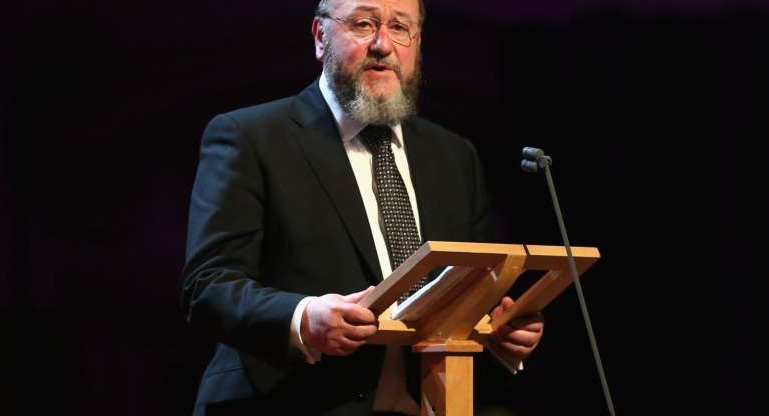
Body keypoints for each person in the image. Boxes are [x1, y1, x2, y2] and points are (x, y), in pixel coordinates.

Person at [182, 0, 544, 415]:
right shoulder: (250, 137)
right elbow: (207, 285)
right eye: (363, 24)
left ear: (417, 43)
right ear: (321, 37)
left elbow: (472, 292)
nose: (382, 44)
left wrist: (500, 332)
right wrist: (302, 317)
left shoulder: (454, 155)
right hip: (291, 400)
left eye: (399, 27)